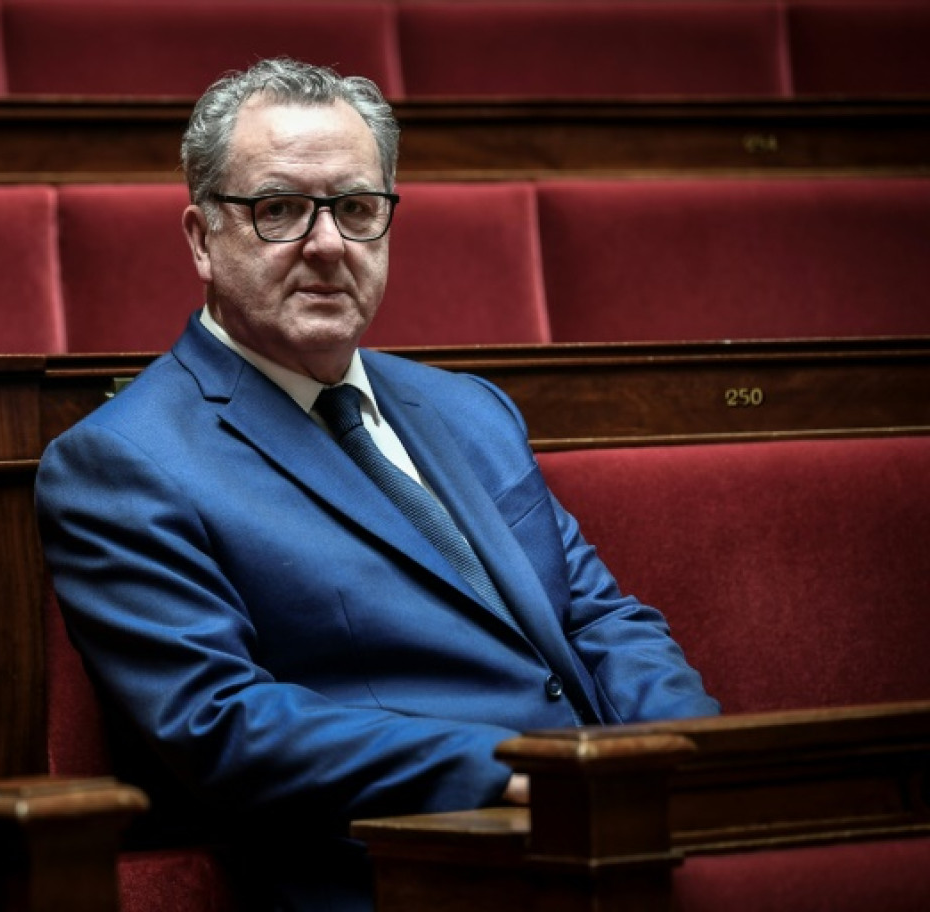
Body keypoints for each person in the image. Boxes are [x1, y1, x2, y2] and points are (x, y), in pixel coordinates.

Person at [35, 57, 719, 912]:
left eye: (356, 209)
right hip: (413, 872)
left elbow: (596, 615)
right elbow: (222, 722)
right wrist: (519, 777)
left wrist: (690, 756)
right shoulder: (121, 463)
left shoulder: (469, 409)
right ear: (203, 237)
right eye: (279, 209)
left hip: (619, 840)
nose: (327, 245)